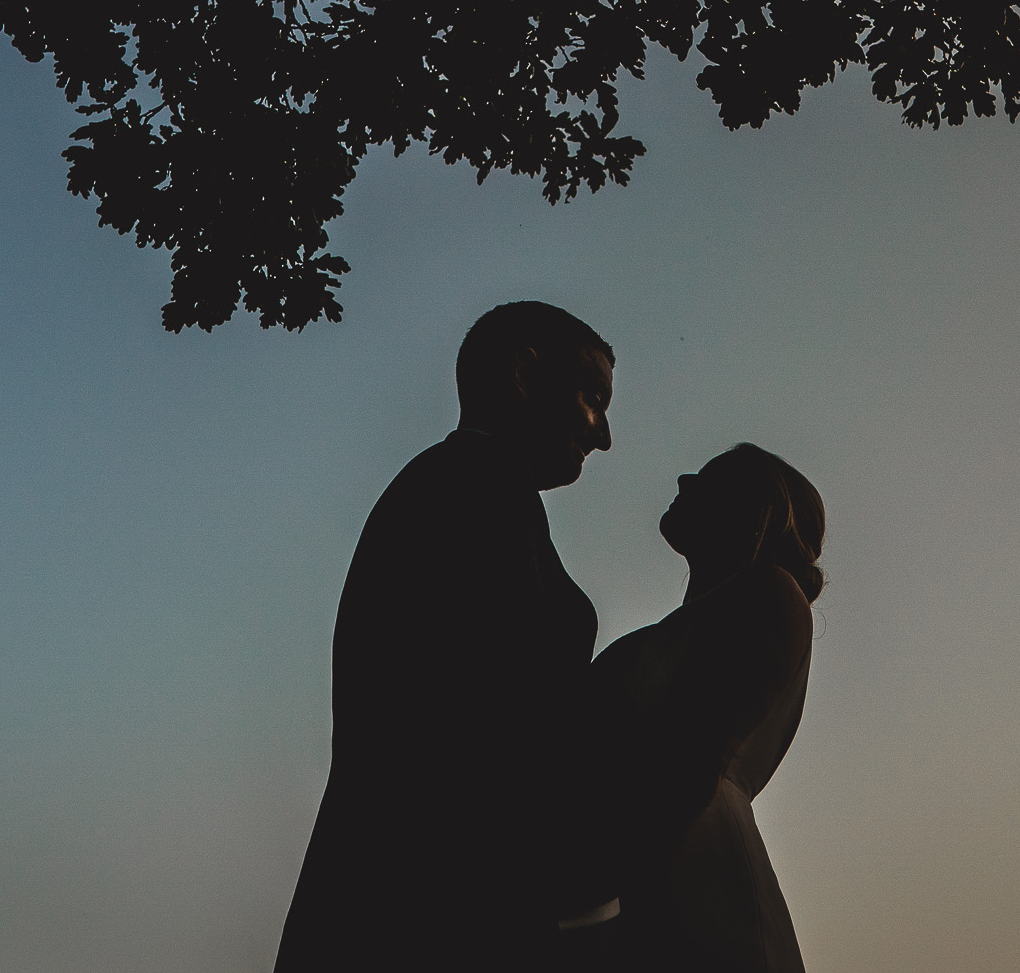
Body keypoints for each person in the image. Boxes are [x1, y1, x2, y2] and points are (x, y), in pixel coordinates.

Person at [274, 301, 618, 973]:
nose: (603, 433)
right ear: (524, 373)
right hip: (433, 906)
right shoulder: (473, 488)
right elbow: (501, 718)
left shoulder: (470, 486)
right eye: (592, 397)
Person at [589, 444, 825, 973]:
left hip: (695, 881)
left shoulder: (771, 594)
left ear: (755, 507)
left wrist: (599, 898)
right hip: (638, 878)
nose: (683, 477)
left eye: (709, 478)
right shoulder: (678, 628)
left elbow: (690, 761)